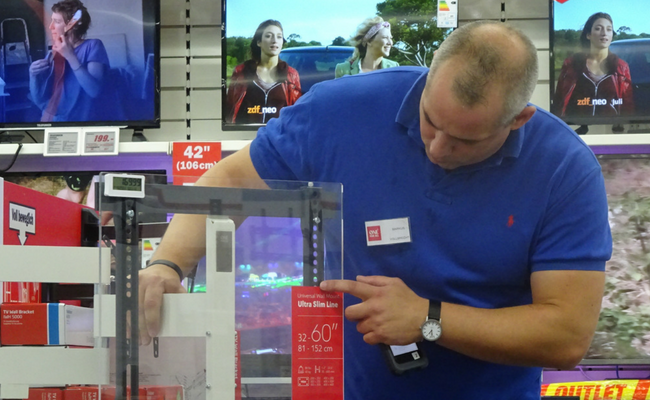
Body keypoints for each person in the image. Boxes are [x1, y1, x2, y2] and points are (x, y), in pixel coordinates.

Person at [139, 21, 611, 399]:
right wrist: (167, 262)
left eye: (466, 139)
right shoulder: (341, 112)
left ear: (519, 119)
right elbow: (232, 179)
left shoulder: (565, 171)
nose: (438, 148)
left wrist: (428, 318)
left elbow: (566, 334)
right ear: (427, 77)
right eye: (430, 121)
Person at [28, 0, 114, 122]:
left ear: (74, 24)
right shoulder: (53, 52)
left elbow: (94, 91)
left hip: (79, 122)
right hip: (49, 121)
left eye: (57, 21)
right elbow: (39, 99)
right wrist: (33, 75)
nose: (50, 26)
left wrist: (70, 56)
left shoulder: (93, 46)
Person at [553, 12, 634, 118]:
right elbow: (558, 100)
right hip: (575, 127)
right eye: (598, 28)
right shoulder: (571, 64)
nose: (604, 33)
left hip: (612, 129)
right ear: (588, 35)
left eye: (609, 29)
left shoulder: (621, 67)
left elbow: (628, 105)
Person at [225, 19, 301, 124]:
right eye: (268, 36)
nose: (274, 40)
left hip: (278, 137)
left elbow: (296, 113)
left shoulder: (291, 75)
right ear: (259, 42)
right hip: (245, 137)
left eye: (279, 37)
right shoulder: (241, 72)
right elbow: (230, 108)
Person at [335, 17, 399, 78]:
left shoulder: (394, 67)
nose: (390, 43)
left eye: (390, 38)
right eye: (385, 37)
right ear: (369, 41)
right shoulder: (343, 69)